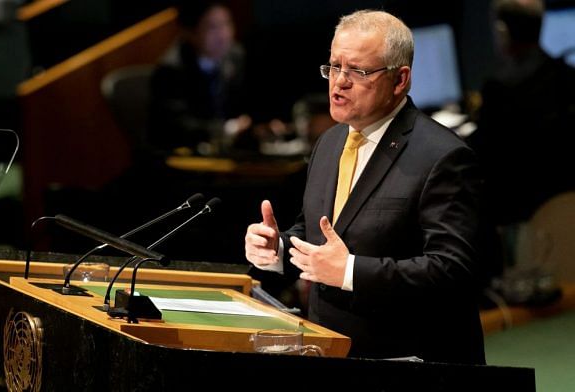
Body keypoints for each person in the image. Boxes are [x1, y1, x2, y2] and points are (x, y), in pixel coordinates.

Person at [244, 10, 486, 364]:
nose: (339, 82)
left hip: (408, 362)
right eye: (334, 66)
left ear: (400, 80)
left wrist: (349, 272)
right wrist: (279, 247)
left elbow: (453, 270)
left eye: (358, 71)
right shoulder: (329, 143)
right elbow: (323, 234)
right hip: (331, 349)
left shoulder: (443, 156)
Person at [471, 0, 575, 225]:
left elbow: (480, 159)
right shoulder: (568, 78)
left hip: (523, 226)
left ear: (503, 32)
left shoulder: (499, 93)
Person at [148, 0, 251, 155]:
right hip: (185, 155)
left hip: (229, 149)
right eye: (212, 27)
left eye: (226, 23)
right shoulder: (171, 69)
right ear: (189, 32)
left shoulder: (235, 55)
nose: (223, 35)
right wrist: (226, 128)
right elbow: (177, 126)